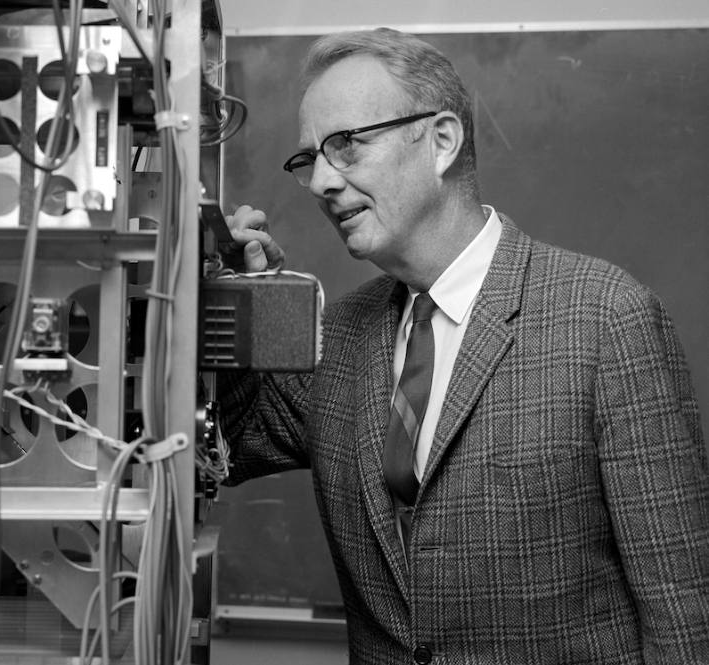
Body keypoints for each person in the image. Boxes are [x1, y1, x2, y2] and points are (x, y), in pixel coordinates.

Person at [217, 27, 708, 665]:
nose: (319, 184)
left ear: (441, 140)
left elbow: (684, 613)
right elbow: (222, 447)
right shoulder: (336, 336)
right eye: (309, 159)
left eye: (346, 146)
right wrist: (219, 298)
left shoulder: (606, 319)